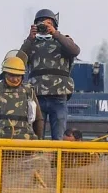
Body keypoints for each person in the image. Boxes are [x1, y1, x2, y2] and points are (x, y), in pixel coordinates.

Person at [20, 9, 80, 140]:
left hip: (58, 96)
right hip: (37, 96)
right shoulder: (32, 43)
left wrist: (56, 34)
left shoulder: (63, 41)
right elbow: (19, 60)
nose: (44, 26)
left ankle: (57, 160)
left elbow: (74, 50)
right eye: (41, 23)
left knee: (58, 137)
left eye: (48, 23)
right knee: (36, 137)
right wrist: (30, 38)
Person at [0, 54, 43, 154]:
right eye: (11, 75)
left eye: (18, 75)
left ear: (22, 75)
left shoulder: (29, 91)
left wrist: (38, 143)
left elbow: (38, 119)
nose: (15, 79)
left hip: (25, 146)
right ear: (5, 74)